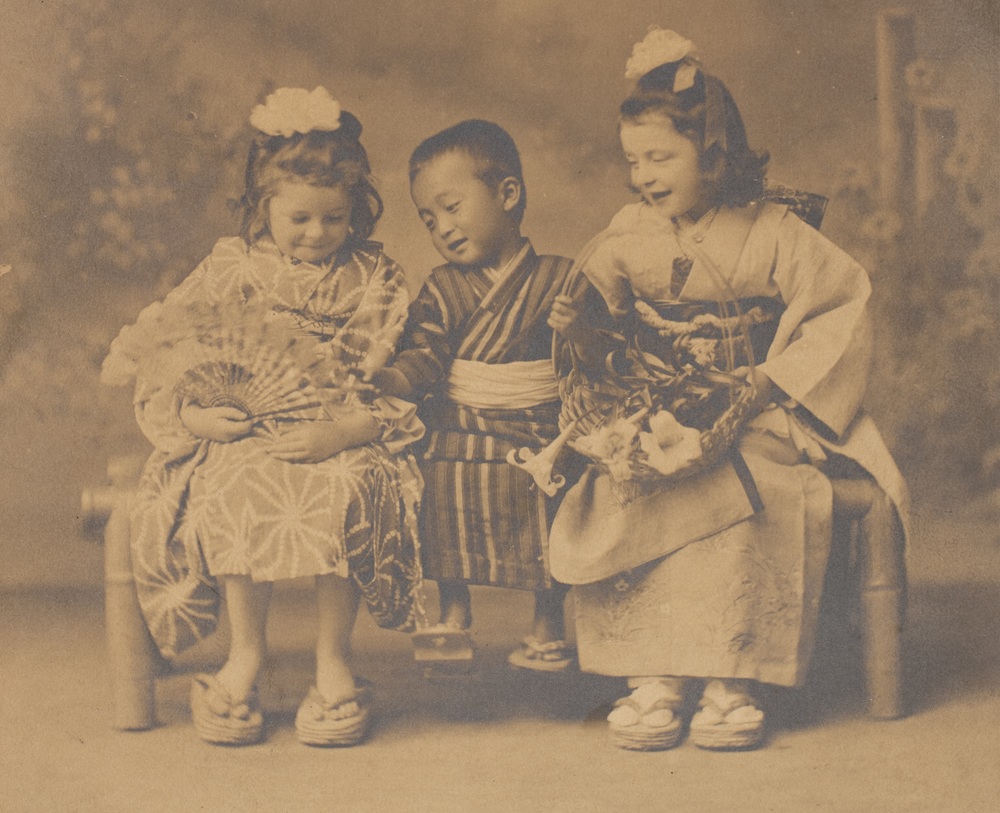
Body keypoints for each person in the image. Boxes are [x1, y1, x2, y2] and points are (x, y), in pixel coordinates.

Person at [546, 29, 909, 750]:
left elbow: (841, 307)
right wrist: (579, 327)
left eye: (661, 157)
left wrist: (766, 381)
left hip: (755, 408)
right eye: (634, 160)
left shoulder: (776, 231)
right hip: (657, 406)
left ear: (712, 152)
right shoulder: (627, 232)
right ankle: (653, 676)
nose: (644, 176)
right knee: (628, 481)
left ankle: (729, 676)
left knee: (756, 491)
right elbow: (605, 332)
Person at [101, 87, 424, 747]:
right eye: (299, 218)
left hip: (341, 431)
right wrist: (196, 415)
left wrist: (341, 430)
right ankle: (244, 650)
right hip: (247, 433)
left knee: (348, 486)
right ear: (261, 209)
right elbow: (171, 349)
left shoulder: (376, 277)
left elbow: (398, 373)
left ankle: (333, 656)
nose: (317, 233)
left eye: (334, 218)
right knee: (236, 485)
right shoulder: (232, 269)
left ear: (356, 210)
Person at [371, 120, 579, 674]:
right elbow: (427, 354)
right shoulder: (441, 286)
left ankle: (547, 620)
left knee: (555, 488)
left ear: (508, 194)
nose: (442, 229)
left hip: (538, 421)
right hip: (461, 419)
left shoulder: (561, 277)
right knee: (435, 478)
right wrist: (394, 379)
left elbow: (596, 358)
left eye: (452, 207)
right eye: (428, 219)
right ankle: (454, 609)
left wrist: (578, 330)